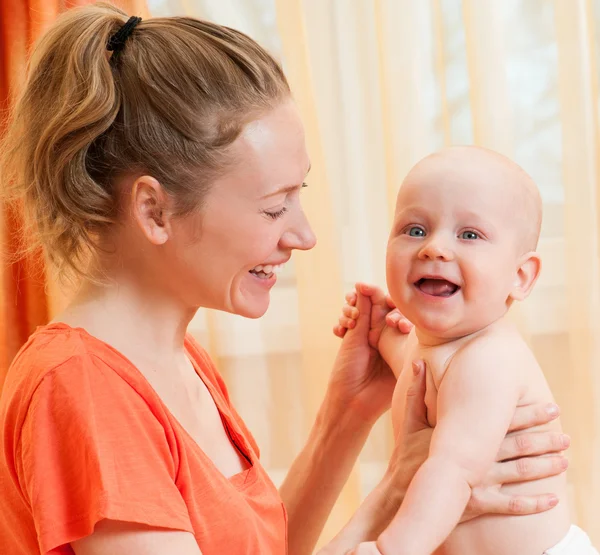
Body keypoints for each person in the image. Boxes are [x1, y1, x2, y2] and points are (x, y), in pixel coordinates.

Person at [0, 5, 569, 554]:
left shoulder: (179, 362)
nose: (304, 235)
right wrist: (387, 506)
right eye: (275, 208)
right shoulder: (82, 389)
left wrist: (344, 420)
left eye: (300, 195)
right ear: (154, 211)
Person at [336, 147, 597, 555]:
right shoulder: (436, 348)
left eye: (469, 235)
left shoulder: (488, 358)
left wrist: (393, 549)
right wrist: (377, 331)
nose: (434, 248)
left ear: (520, 276)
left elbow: (451, 470)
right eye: (415, 230)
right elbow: (416, 373)